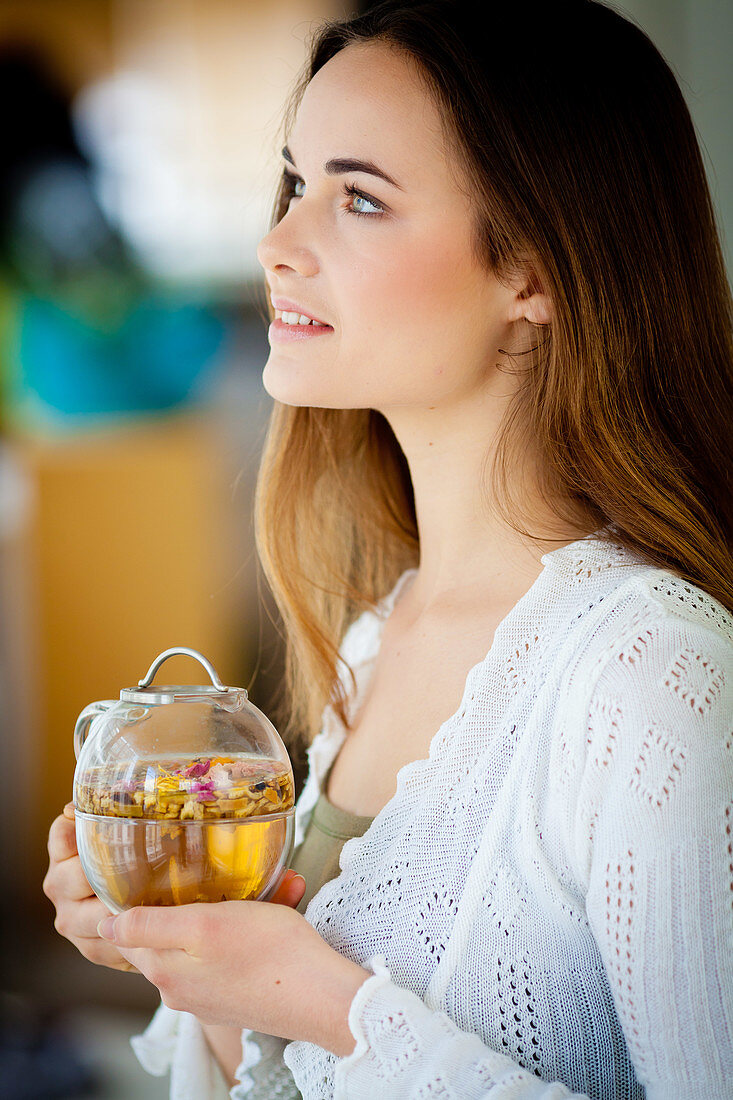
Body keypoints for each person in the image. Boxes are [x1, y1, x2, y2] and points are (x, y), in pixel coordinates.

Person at [44, 1, 733, 1097]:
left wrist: (315, 996)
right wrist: (198, 967)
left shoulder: (654, 674)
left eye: (359, 197)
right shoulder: (379, 627)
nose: (276, 244)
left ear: (536, 273)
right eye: (294, 183)